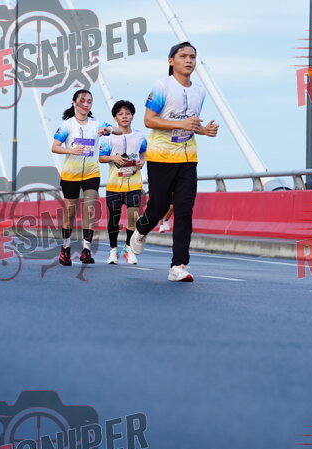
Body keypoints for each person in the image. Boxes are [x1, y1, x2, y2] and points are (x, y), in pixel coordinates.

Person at [130, 42, 219, 282]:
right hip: (161, 156)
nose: (188, 60)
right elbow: (149, 120)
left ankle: (178, 265)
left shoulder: (199, 91)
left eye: (192, 57)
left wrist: (204, 131)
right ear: (171, 61)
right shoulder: (162, 86)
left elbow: (191, 124)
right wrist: (181, 124)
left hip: (188, 157)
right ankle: (142, 228)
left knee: (184, 210)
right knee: (158, 207)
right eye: (183, 56)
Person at [52, 90, 122, 265]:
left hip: (91, 173)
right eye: (82, 100)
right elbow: (55, 147)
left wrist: (109, 129)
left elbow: (119, 130)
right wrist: (71, 150)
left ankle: (86, 250)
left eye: (89, 101)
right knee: (70, 212)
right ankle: (65, 248)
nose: (86, 104)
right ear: (74, 103)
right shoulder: (67, 125)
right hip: (70, 175)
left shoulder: (96, 124)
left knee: (90, 210)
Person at [99, 100, 147, 265]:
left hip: (134, 183)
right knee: (114, 219)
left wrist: (142, 161)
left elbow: (143, 152)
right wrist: (114, 158)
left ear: (132, 116)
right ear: (115, 118)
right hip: (114, 184)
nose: (124, 116)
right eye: (120, 114)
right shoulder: (109, 138)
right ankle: (113, 251)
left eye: (127, 113)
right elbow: (101, 158)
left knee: (133, 217)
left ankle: (128, 249)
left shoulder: (140, 136)